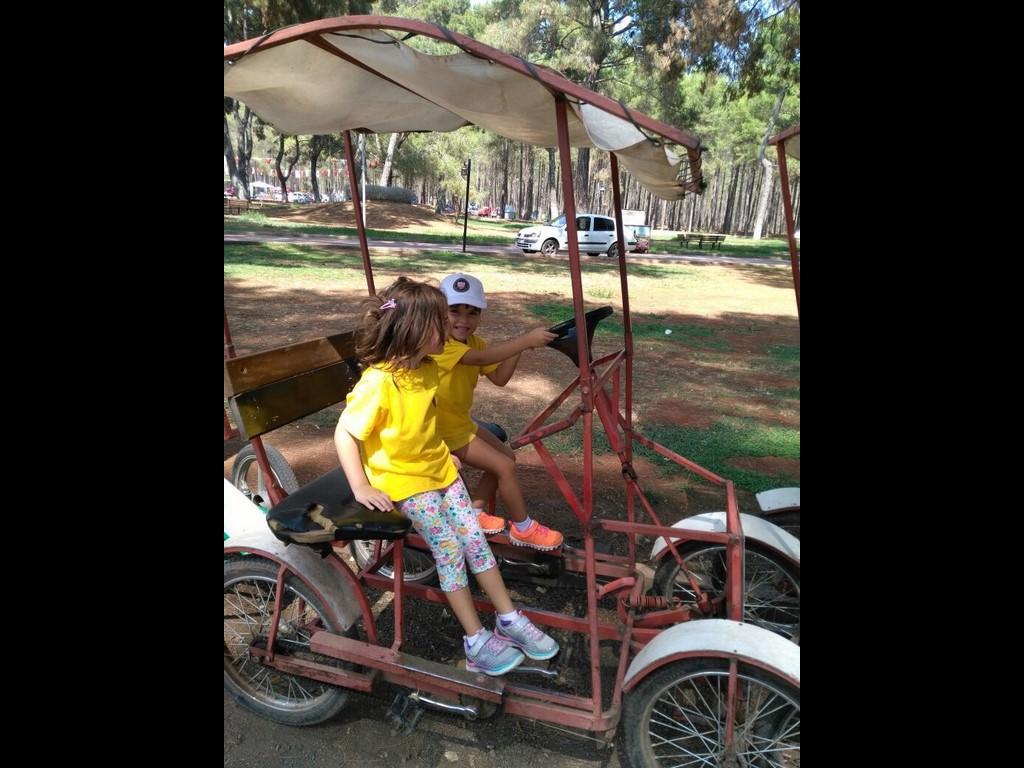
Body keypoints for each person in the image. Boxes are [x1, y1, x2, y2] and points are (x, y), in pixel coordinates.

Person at [335, 277, 559, 676]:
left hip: (439, 470)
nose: (450, 327)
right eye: (441, 320)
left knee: (475, 538)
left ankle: (508, 619)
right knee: (451, 549)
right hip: (405, 482)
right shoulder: (379, 382)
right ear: (415, 330)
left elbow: (422, 424)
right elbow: (346, 433)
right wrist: (361, 485)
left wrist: (443, 454)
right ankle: (475, 641)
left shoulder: (425, 370)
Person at [435, 273, 564, 551]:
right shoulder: (440, 345)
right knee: (503, 467)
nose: (464, 320)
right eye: (455, 311)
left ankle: (474, 513)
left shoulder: (474, 342)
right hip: (441, 431)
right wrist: (524, 341)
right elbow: (481, 359)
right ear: (439, 312)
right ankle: (524, 528)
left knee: (507, 457)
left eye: (472, 312)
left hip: (460, 424)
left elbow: (500, 378)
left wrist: (520, 347)